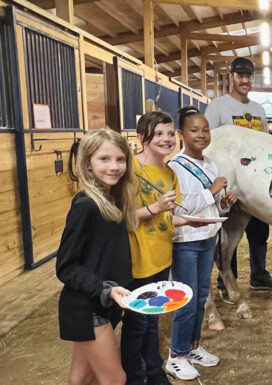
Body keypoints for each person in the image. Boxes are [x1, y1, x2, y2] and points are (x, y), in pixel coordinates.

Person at [121, 111, 198, 385]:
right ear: (142, 138)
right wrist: (154, 207)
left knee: (152, 321)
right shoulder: (130, 170)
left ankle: (153, 372)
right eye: (159, 134)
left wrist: (187, 220)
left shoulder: (168, 172)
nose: (166, 139)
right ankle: (133, 376)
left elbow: (167, 216)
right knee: (137, 325)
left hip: (162, 257)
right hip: (139, 259)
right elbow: (124, 216)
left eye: (170, 133)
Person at [57, 129, 138, 385]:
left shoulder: (112, 200)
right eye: (104, 159)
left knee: (82, 376)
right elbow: (66, 266)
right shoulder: (86, 206)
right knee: (115, 378)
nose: (114, 166)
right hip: (87, 307)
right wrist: (104, 288)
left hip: (105, 302)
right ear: (88, 163)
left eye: (120, 159)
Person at [165, 107, 238, 380]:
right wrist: (212, 191)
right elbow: (180, 210)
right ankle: (176, 356)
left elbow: (211, 207)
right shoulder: (175, 167)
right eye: (194, 130)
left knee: (200, 298)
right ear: (181, 134)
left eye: (205, 130)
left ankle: (192, 346)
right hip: (185, 242)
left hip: (207, 237)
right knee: (186, 300)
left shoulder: (210, 164)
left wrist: (224, 202)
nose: (201, 135)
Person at [204, 56, 272, 294]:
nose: (244, 80)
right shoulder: (218, 106)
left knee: (259, 232)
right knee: (225, 229)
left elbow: (264, 145)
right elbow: (209, 143)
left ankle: (259, 275)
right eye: (240, 75)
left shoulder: (258, 110)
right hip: (228, 179)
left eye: (248, 76)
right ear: (231, 77)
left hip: (254, 179)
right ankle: (225, 281)